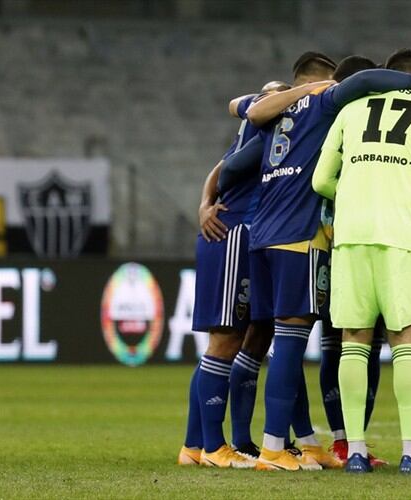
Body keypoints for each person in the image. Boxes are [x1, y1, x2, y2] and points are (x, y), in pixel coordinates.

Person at [234, 54, 411, 471]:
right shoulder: (332, 105)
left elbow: (236, 154)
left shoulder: (276, 110)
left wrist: (211, 197)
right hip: (309, 235)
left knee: (300, 341)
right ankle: (275, 447)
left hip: (266, 236)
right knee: (312, 340)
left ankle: (315, 444)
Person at [312, 48, 411, 474]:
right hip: (402, 237)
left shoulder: (353, 108)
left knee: (354, 342)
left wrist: (360, 189)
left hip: (352, 235)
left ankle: (355, 450)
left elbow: (322, 180)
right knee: (405, 342)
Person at [178, 80, 289, 469]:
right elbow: (230, 170)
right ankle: (212, 447)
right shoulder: (265, 134)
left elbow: (222, 166)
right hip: (233, 232)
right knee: (224, 342)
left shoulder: (258, 129)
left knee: (239, 338)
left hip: (245, 233)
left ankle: (195, 445)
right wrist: (210, 202)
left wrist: (206, 200)